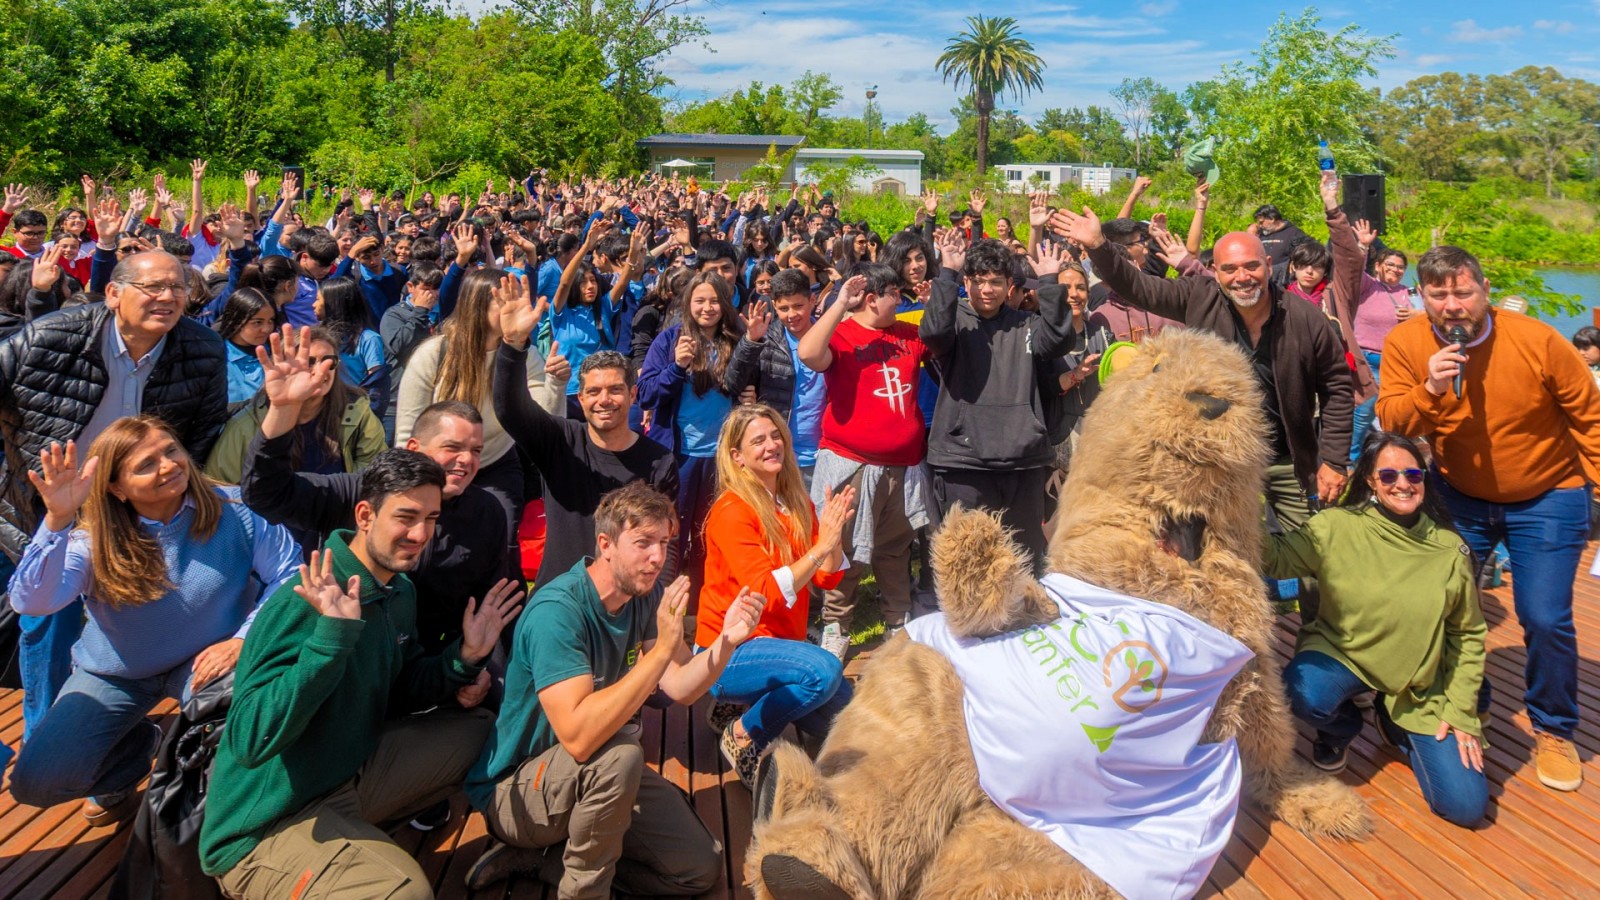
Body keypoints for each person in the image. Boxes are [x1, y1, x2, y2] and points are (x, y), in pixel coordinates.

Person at [199, 450, 524, 898]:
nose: (420, 534)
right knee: (406, 892)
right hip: (266, 824)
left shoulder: (397, 590)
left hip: (345, 777)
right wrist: (330, 642)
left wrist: (463, 658)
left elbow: (402, 686)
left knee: (483, 731)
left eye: (431, 518)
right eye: (406, 517)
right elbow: (252, 740)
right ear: (365, 514)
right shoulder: (304, 600)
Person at [463, 481, 761, 896]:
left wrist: (727, 642)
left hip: (594, 773)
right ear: (605, 543)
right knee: (622, 755)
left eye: (663, 542)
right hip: (516, 792)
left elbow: (681, 689)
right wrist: (657, 657)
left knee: (697, 868)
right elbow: (579, 738)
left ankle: (546, 861)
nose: (658, 557)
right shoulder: (558, 613)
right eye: (643, 543)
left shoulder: (642, 594)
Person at [1376, 244, 1600, 793]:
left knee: (1544, 616)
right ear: (1421, 297)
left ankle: (1553, 727)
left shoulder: (1537, 340)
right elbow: (1392, 421)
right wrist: (1429, 387)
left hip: (1548, 493)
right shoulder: (1407, 343)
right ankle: (1467, 705)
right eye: (1439, 294)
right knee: (1449, 608)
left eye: (1463, 291)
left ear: (1484, 290)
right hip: (1462, 496)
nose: (1452, 305)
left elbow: (1589, 419)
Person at [7, 419, 299, 825]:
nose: (168, 465)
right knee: (37, 782)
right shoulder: (92, 540)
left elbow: (290, 574)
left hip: (209, 661)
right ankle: (138, 748)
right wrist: (56, 519)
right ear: (116, 488)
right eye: (146, 464)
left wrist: (244, 640)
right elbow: (32, 602)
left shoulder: (234, 508)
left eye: (171, 451)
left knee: (246, 736)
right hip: (118, 673)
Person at [0, 249, 228, 737]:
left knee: (138, 610)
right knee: (48, 616)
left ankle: (122, 731)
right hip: (50, 502)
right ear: (113, 293)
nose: (168, 297)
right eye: (153, 287)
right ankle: (47, 734)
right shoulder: (51, 336)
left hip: (141, 504)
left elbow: (204, 433)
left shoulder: (203, 348)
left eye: (178, 288)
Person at [1050, 205, 1354, 538]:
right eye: (1230, 269)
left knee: (1310, 548)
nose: (1242, 277)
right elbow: (1138, 287)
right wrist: (1098, 246)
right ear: (1216, 272)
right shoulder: (1199, 298)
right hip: (1219, 464)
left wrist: (1335, 460)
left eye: (1252, 266)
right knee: (1221, 554)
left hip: (1288, 460)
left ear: (1268, 266)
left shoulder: (1305, 318)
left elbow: (1337, 386)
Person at [241, 327, 515, 652]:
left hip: (428, 667)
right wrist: (283, 409)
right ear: (414, 447)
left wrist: (472, 667)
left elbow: (489, 605)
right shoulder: (363, 489)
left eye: (476, 451)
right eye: (452, 448)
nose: (466, 461)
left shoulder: (486, 512)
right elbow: (266, 492)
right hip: (341, 651)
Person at [1265, 432, 1488, 826]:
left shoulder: (1449, 549)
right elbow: (1277, 559)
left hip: (1418, 682)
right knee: (1301, 692)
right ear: (1369, 480)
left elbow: (1467, 634)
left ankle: (1393, 718)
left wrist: (1461, 711)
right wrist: (1226, 507)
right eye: (1388, 475)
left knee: (1465, 807)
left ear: (1423, 479)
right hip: (1344, 652)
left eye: (1412, 473)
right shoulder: (1335, 525)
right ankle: (1343, 726)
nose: (1402, 483)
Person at [699, 405, 856, 786]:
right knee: (823, 671)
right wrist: (820, 548)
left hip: (781, 647)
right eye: (759, 440)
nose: (772, 445)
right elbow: (767, 592)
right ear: (736, 456)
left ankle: (739, 707)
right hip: (728, 652)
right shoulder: (731, 511)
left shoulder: (795, 502)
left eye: (775, 436)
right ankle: (742, 733)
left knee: (848, 714)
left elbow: (826, 579)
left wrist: (831, 541)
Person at [494, 284, 677, 589]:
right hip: (559, 596)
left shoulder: (658, 460)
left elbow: (666, 537)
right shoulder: (559, 439)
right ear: (580, 399)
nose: (604, 400)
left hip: (623, 600)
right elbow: (508, 408)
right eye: (593, 392)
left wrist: (656, 608)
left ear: (632, 395)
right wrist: (513, 345)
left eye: (615, 390)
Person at [797, 265, 935, 659]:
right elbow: (808, 352)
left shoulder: (908, 333)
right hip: (851, 464)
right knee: (842, 550)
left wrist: (935, 303)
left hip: (902, 467)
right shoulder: (840, 334)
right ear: (873, 298)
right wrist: (840, 302)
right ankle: (837, 625)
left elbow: (946, 341)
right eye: (895, 293)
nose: (902, 300)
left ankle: (897, 621)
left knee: (895, 548)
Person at [922, 234, 1071, 568]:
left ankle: (1025, 618)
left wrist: (1049, 282)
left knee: (1024, 554)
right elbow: (933, 332)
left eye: (995, 282)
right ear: (966, 282)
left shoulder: (1027, 325)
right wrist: (946, 273)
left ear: (1009, 286)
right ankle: (971, 619)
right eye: (977, 281)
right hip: (964, 461)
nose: (986, 290)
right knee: (969, 556)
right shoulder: (954, 321)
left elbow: (1059, 341)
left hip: (1023, 458)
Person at [397, 267, 564, 516]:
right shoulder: (434, 354)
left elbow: (546, 420)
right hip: (436, 467)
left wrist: (556, 383)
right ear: (477, 306)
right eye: (507, 301)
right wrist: (412, 487)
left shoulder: (524, 354)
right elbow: (407, 432)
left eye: (520, 301)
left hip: (496, 465)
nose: (518, 309)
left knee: (501, 538)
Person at [637, 271, 745, 591]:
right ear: (688, 304)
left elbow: (748, 385)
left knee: (707, 536)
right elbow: (646, 395)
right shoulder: (670, 340)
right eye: (700, 301)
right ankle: (659, 609)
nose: (707, 308)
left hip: (721, 459)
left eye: (714, 301)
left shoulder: (734, 342)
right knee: (671, 535)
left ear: (725, 305)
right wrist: (676, 367)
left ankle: (699, 609)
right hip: (679, 458)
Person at [206, 325, 387, 484]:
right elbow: (220, 486)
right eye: (308, 362)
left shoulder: (357, 413)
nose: (319, 371)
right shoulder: (246, 425)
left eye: (328, 362)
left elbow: (375, 477)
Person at [725, 268, 827, 483]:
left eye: (799, 306)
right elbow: (733, 383)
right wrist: (751, 341)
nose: (792, 315)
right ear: (774, 305)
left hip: (824, 454)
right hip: (778, 456)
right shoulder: (767, 340)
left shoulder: (831, 336)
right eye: (783, 308)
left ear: (812, 300)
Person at [316, 274, 389, 413]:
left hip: (353, 411)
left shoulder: (369, 339)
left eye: (317, 299)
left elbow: (376, 385)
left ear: (332, 304)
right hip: (323, 410)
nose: (313, 305)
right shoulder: (319, 339)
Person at [213, 287, 280, 407]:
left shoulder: (277, 354)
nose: (266, 329)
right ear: (237, 320)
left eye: (270, 321)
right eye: (257, 322)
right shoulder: (216, 358)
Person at [1251, 203, 1312, 271]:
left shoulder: (1295, 233)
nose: (1260, 225)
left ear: (1272, 219)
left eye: (1261, 222)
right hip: (1264, 276)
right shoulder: (1260, 233)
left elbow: (1303, 257)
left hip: (1284, 278)